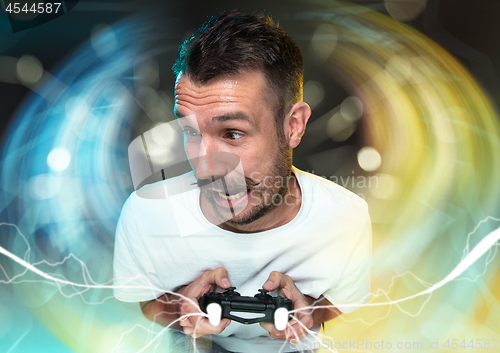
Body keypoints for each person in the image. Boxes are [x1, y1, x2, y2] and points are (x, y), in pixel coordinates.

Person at [113, 10, 371, 353]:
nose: (204, 167)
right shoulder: (145, 213)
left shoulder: (345, 218)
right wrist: (180, 310)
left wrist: (309, 311)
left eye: (232, 133)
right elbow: (146, 300)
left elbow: (344, 299)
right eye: (190, 131)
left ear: (293, 126)